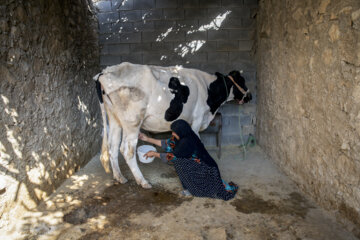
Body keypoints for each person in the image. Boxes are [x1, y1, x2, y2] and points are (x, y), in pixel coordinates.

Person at [138, 119, 238, 201]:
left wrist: (154, 154)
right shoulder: (182, 136)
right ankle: (189, 187)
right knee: (179, 160)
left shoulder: (187, 142)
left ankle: (194, 189)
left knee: (179, 162)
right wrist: (147, 139)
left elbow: (171, 157)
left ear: (180, 131)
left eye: (174, 132)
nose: (172, 133)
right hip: (197, 165)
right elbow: (167, 143)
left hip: (207, 170)